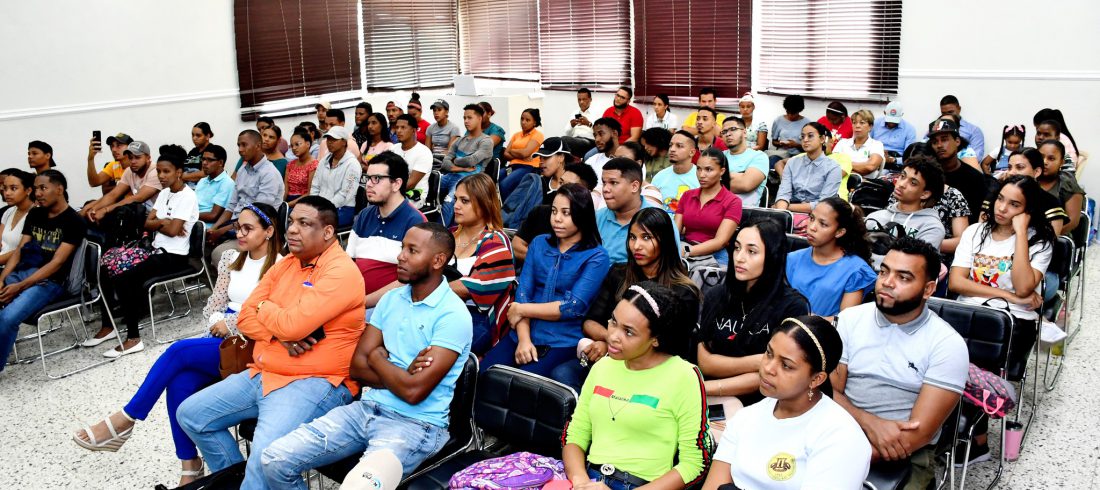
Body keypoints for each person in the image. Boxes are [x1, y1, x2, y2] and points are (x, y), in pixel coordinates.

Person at [72, 203, 283, 486]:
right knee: (179, 381)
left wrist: (230, 324)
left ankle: (127, 418)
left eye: (248, 228)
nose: (240, 233)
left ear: (269, 231)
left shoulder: (280, 266)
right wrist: (217, 321)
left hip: (251, 343)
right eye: (238, 227)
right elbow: (214, 302)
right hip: (220, 337)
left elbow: (265, 313)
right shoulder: (231, 257)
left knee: (178, 351)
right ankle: (189, 465)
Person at [260, 221, 471, 488]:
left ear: (438, 260)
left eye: (412, 251)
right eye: (402, 247)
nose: (400, 256)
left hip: (416, 425)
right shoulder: (392, 299)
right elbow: (357, 368)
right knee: (274, 459)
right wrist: (401, 375)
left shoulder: (452, 315)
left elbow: (413, 392)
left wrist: (377, 358)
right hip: (365, 409)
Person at [177, 196, 365, 489]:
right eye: (292, 221)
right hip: (264, 372)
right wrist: (278, 334)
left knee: (265, 459)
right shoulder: (287, 263)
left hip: (313, 381)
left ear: (328, 232)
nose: (292, 229)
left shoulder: (340, 271)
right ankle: (236, 482)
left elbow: (290, 324)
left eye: (304, 223)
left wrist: (265, 309)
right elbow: (245, 317)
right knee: (191, 415)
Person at [832, 237, 968, 488]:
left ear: (928, 289)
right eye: (884, 271)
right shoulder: (850, 319)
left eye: (903, 277)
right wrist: (870, 422)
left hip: (905, 454)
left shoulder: (947, 344)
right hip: (836, 433)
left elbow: (915, 436)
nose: (887, 282)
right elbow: (829, 392)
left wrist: (838, 460)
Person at [562, 281, 711, 489]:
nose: (613, 336)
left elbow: (695, 463)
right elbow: (575, 434)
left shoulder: (684, 376)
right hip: (589, 479)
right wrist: (580, 481)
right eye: (613, 322)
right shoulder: (603, 366)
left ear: (656, 339)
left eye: (629, 332)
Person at [704, 316, 871, 490]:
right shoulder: (745, 417)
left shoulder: (841, 437)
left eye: (786, 365)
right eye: (769, 353)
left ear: (816, 379)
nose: (768, 368)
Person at [553, 208, 698, 391]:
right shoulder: (618, 274)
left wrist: (617, 344)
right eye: (632, 237)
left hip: (654, 370)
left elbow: (673, 349)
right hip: (612, 358)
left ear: (665, 241)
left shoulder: (683, 292)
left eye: (646, 238)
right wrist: (611, 340)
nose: (636, 246)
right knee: (563, 374)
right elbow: (590, 322)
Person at [83, 145, 200, 357]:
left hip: (174, 257)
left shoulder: (187, 196)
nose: (161, 176)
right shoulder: (164, 193)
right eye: (160, 171)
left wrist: (161, 223)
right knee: (105, 266)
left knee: (124, 277)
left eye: (166, 172)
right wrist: (163, 222)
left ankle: (133, 339)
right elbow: (147, 223)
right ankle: (108, 326)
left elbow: (173, 231)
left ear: (179, 172)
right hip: (154, 250)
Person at [482, 184, 610, 376]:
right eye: (554, 211)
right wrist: (524, 339)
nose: (557, 218)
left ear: (582, 215)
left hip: (562, 339)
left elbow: (572, 306)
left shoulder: (597, 256)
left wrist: (522, 309)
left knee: (524, 382)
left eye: (566, 213)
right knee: (486, 373)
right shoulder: (539, 243)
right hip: (522, 330)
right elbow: (523, 293)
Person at [697, 220, 810, 410]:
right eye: (737, 248)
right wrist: (757, 361)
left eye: (752, 251)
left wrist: (705, 388)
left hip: (760, 402)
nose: (739, 258)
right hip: (706, 392)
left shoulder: (792, 306)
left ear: (772, 257)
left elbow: (773, 374)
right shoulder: (717, 295)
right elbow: (705, 363)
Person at [950, 175, 1053, 381]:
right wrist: (1008, 295)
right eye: (1000, 198)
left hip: (1013, 319)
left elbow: (1023, 288)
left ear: (1028, 210)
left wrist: (1021, 233)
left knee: (979, 355)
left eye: (1014, 204)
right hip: (969, 311)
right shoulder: (975, 232)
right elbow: (956, 282)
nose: (1002, 208)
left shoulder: (1040, 243)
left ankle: (978, 392)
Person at [0, 170, 84, 373]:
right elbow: (20, 250)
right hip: (24, 272)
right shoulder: (36, 214)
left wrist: (20, 286)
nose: (37, 193)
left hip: (50, 282)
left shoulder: (73, 221)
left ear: (59, 189)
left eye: (43, 188)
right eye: (36, 188)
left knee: (8, 318)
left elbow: (57, 263)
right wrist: (2, 278)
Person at [449, 173, 516, 355]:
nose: (456, 205)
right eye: (456, 199)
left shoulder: (496, 240)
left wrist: (428, 288)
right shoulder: (448, 235)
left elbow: (477, 286)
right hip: (439, 309)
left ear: (484, 204)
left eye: (465, 201)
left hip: (478, 318)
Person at [351, 152, 428, 309]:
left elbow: (410, 280)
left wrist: (360, 303)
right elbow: (349, 261)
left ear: (396, 184)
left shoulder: (416, 222)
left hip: (390, 306)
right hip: (355, 299)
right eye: (367, 178)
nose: (369, 184)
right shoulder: (364, 215)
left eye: (376, 179)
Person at [787, 197, 875, 318]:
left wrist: (806, 319)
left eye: (823, 224)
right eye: (812, 218)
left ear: (839, 232)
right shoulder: (792, 259)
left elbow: (845, 321)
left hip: (820, 329)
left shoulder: (855, 270)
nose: (812, 227)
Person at [208, 130, 285, 259]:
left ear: (258, 146)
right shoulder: (242, 170)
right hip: (235, 226)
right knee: (203, 241)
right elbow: (231, 206)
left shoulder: (269, 173)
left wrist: (222, 231)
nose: (240, 149)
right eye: (238, 145)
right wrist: (214, 229)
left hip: (255, 229)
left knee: (218, 254)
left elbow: (257, 215)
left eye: (244, 145)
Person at [866, 155, 947, 257]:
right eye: (902, 176)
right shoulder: (875, 217)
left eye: (913, 183)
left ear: (924, 194)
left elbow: (915, 263)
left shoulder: (931, 228)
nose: (901, 184)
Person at [597, 158, 669, 264]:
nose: (605, 189)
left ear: (634, 186)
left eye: (613, 183)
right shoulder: (596, 218)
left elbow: (669, 265)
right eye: (604, 183)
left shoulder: (659, 220)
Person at [676, 147, 740, 265]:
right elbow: (675, 231)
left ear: (722, 171)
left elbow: (720, 241)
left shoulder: (733, 201)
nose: (701, 175)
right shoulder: (687, 195)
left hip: (714, 256)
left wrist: (687, 251)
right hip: (684, 248)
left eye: (708, 169)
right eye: (698, 169)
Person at [772, 122, 843, 213]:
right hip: (788, 211)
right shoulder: (792, 163)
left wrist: (787, 208)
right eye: (802, 136)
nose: (805, 140)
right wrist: (781, 211)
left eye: (810, 136)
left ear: (822, 139)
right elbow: (783, 194)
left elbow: (824, 204)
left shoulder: (833, 167)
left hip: (819, 214)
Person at [83, 141, 162, 222]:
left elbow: (138, 198)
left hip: (160, 218)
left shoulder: (156, 171)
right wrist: (93, 210)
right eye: (130, 158)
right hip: (143, 215)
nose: (133, 161)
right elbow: (113, 195)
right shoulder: (129, 171)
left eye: (137, 157)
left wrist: (105, 210)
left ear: (148, 158)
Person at [928, 118, 985, 221]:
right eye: (935, 142)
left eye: (944, 139)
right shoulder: (928, 175)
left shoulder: (975, 178)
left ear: (957, 141)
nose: (939, 145)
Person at [1002, 148, 1069, 236]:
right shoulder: (1000, 194)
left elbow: (1050, 241)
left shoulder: (1050, 204)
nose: (1011, 172)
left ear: (1037, 172)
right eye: (1009, 167)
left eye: (1019, 167)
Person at [440, 104, 493, 212]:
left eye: (469, 118)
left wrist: (454, 160)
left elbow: (471, 160)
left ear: (480, 118)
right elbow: (445, 163)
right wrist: (461, 168)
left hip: (470, 180)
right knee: (428, 190)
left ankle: (442, 224)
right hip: (450, 176)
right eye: (464, 118)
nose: (466, 121)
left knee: (449, 203)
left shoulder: (486, 141)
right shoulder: (459, 140)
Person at [311, 126, 362, 227]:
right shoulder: (324, 160)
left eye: (334, 140)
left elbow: (345, 194)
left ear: (344, 142)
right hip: (321, 207)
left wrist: (324, 208)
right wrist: (314, 204)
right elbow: (315, 185)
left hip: (343, 208)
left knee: (315, 224)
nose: (329, 142)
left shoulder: (352, 164)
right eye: (328, 139)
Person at [1037, 139, 1085, 236]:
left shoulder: (1067, 184)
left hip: (1058, 236)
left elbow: (1072, 223)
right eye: (1041, 157)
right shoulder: (1029, 179)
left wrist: (1046, 238)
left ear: (1061, 162)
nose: (1044, 162)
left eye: (1051, 158)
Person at [722, 116, 769, 207]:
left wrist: (718, 178)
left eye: (733, 129)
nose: (728, 134)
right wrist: (739, 175)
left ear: (744, 133)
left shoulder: (759, 156)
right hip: (716, 209)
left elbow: (746, 184)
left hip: (744, 212)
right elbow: (702, 182)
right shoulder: (719, 156)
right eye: (724, 131)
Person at [500, 109, 546, 199]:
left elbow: (525, 153)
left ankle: (509, 207)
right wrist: (519, 153)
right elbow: (505, 154)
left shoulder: (538, 135)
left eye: (527, 120)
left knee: (504, 185)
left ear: (534, 122)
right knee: (493, 180)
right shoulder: (516, 135)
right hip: (512, 166)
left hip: (528, 166)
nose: (523, 122)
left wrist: (512, 150)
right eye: (522, 119)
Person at [390, 114, 433, 209]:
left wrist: (386, 190)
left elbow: (410, 184)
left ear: (413, 130)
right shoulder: (393, 149)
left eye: (403, 127)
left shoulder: (424, 152)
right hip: (394, 190)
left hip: (414, 196)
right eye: (397, 127)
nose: (398, 131)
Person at [651, 131, 700, 213]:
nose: (672, 149)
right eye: (670, 145)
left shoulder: (701, 177)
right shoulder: (659, 177)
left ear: (692, 152)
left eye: (679, 146)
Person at [834, 109, 886, 178]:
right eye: (854, 123)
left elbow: (870, 166)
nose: (857, 126)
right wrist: (860, 169)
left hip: (865, 183)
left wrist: (844, 165)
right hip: (840, 181)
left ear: (870, 127)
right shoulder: (842, 143)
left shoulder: (876, 145)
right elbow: (833, 165)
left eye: (862, 123)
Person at [194, 144, 235, 229]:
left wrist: (188, 215)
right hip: (191, 222)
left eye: (210, 160)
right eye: (203, 159)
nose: (204, 163)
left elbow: (213, 216)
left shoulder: (227, 183)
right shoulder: (202, 181)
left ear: (220, 163)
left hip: (204, 228)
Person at [0, 169, 35, 265]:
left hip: (17, 268)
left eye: (13, 188)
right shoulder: (8, 212)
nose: (7, 193)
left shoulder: (36, 215)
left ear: (28, 190)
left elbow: (21, 251)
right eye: (5, 188)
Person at [767, 95, 812, 166]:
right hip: (782, 154)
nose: (790, 115)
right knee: (772, 161)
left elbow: (810, 146)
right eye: (788, 112)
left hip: (799, 155)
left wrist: (796, 145)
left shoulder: (807, 123)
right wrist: (781, 143)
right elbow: (774, 142)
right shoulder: (778, 120)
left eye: (793, 113)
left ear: (799, 111)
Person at [872, 101, 917, 169]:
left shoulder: (909, 129)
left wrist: (893, 160)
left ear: (902, 115)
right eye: (890, 119)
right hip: (875, 158)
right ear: (884, 113)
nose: (892, 123)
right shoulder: (875, 124)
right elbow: (866, 143)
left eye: (895, 120)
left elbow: (909, 156)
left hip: (897, 162)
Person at [937, 95, 985, 159]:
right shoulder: (935, 128)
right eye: (943, 113)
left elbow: (977, 157)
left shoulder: (973, 131)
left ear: (959, 109)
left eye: (950, 112)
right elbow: (925, 151)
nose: (947, 116)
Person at [1034, 109, 1081, 173]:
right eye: (1038, 132)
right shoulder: (1060, 137)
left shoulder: (1061, 140)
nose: (1040, 137)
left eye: (1046, 134)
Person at [584, 118, 621, 186]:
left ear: (614, 133)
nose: (597, 139)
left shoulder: (629, 160)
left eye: (601, 134)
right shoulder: (591, 161)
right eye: (595, 135)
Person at [285, 128, 318, 204]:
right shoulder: (290, 165)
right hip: (288, 201)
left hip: (304, 202)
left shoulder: (314, 165)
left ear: (308, 144)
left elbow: (310, 193)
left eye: (297, 144)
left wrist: (289, 204)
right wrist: (282, 205)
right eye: (292, 145)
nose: (294, 148)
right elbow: (285, 190)